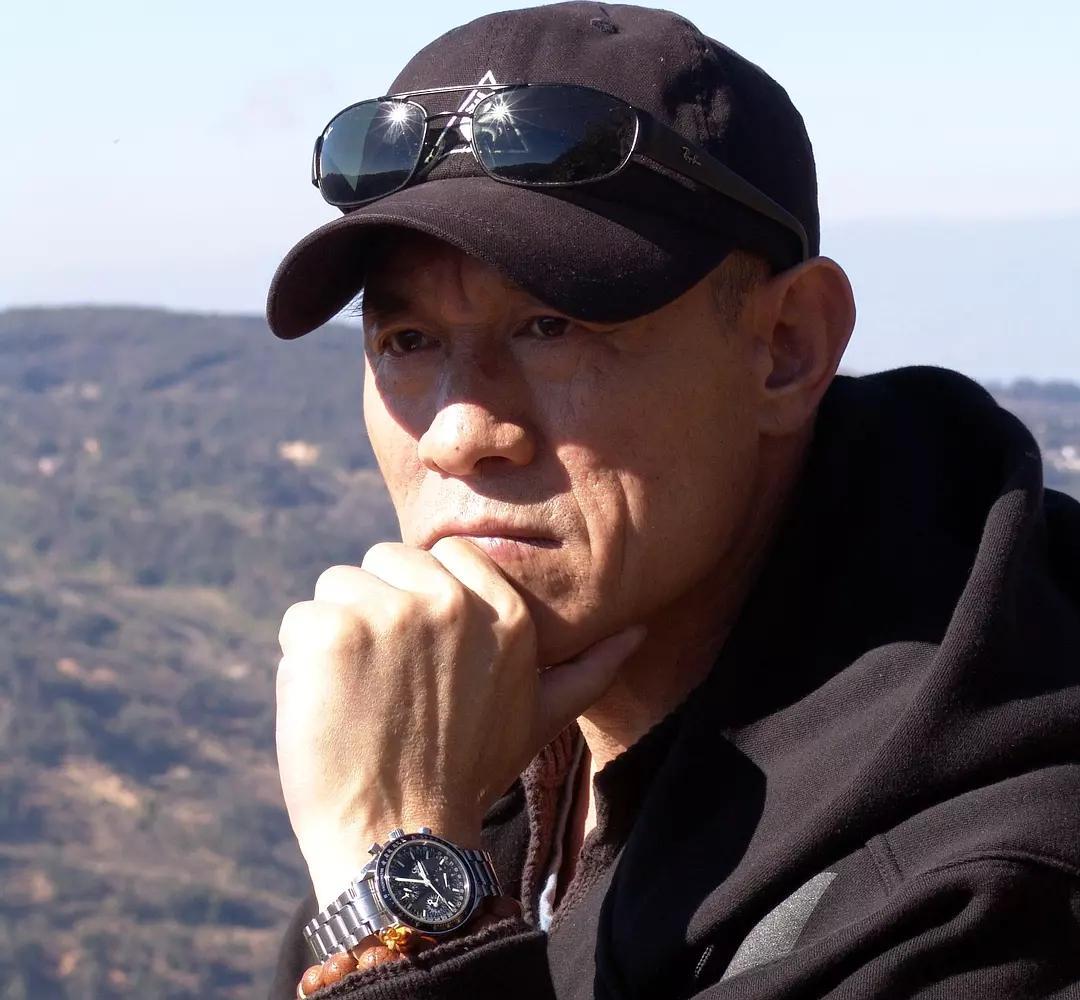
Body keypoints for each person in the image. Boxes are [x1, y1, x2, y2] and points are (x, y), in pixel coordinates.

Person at [264, 4, 1080, 997]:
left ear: (787, 347)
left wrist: (402, 890)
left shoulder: (997, 895)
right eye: (407, 341)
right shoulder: (480, 732)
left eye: (551, 326)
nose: (457, 432)